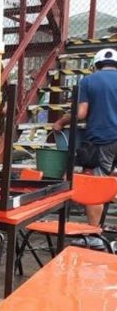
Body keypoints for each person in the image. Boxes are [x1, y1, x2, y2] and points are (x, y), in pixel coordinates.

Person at [53, 48, 117, 227]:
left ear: (96, 64)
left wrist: (60, 122)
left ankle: (94, 236)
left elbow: (80, 113)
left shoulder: (89, 81)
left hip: (102, 140)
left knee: (96, 187)